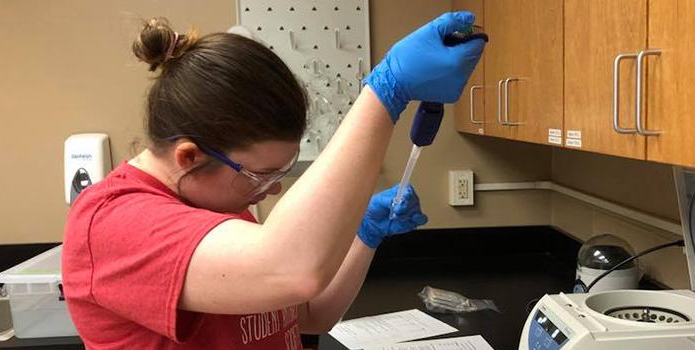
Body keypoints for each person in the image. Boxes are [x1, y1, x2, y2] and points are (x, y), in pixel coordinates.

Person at [62, 11, 485, 350]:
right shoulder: (112, 222)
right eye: (262, 175)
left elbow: (309, 314)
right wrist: (386, 91)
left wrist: (365, 236)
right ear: (188, 157)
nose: (275, 189)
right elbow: (291, 271)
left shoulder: (217, 208)